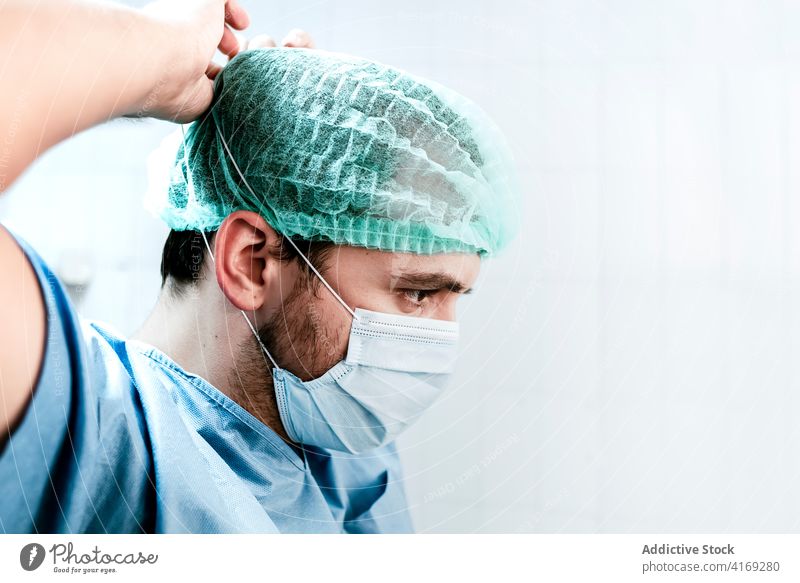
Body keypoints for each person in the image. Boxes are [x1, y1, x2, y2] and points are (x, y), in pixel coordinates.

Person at [0, 0, 517, 533]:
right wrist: (159, 55)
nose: (442, 340)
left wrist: (293, 129)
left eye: (456, 298)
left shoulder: (339, 447)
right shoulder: (94, 438)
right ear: (253, 262)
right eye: (417, 294)